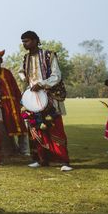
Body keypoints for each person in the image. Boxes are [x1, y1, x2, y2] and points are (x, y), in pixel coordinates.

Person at [19, 31, 73, 171]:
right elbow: (21, 72)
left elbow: (56, 76)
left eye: (27, 41)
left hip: (50, 97)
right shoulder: (26, 58)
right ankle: (41, 159)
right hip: (34, 99)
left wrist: (42, 84)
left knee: (55, 128)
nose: (25, 44)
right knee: (36, 128)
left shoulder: (49, 55)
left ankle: (64, 161)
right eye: (23, 42)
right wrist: (25, 78)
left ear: (36, 40)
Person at [0, 50, 30, 155]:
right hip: (1, 105)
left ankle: (24, 150)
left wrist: (21, 102)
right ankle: (12, 149)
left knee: (21, 127)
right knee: (7, 128)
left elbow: (15, 87)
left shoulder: (7, 72)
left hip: (14, 103)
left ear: (1, 60)